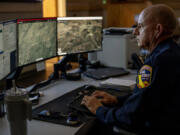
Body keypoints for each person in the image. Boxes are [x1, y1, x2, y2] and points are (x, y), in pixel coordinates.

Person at [81, 4, 180, 134]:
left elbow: (130, 117)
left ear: (158, 30)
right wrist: (117, 100)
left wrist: (98, 109)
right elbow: (148, 99)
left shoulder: (157, 62)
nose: (135, 32)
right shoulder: (172, 51)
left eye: (140, 26)